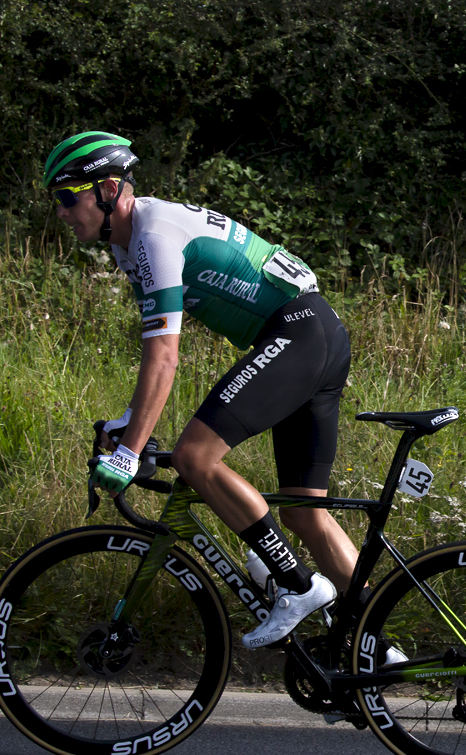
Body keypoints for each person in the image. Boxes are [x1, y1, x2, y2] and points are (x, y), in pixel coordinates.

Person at [45, 130, 358, 649]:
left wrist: (128, 454)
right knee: (304, 513)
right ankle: (378, 642)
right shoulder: (132, 242)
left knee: (195, 456)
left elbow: (164, 356)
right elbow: (158, 353)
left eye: (66, 196)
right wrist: (131, 425)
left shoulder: (153, 237)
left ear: (107, 190)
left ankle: (297, 587)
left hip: (299, 333)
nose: (60, 212)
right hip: (314, 333)